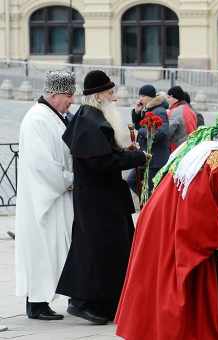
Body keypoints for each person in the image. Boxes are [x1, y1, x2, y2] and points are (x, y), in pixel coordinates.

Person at [115, 107, 218, 340]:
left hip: (162, 218)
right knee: (177, 284)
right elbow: (198, 205)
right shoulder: (216, 157)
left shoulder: (204, 146)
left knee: (157, 280)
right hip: (174, 223)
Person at [57, 70, 148, 325]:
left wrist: (126, 151)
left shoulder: (93, 117)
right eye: (110, 93)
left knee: (106, 249)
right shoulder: (90, 120)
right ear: (98, 96)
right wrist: (136, 157)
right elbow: (102, 162)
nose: (115, 97)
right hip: (98, 200)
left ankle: (105, 302)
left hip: (101, 197)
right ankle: (85, 302)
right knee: (99, 250)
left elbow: (104, 153)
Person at [14, 70, 76, 320]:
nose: (72, 100)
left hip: (55, 195)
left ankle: (46, 301)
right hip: (44, 198)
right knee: (41, 250)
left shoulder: (53, 116)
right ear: (53, 94)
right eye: (68, 95)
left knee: (52, 250)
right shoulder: (37, 119)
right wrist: (71, 179)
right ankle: (37, 304)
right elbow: (43, 165)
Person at [127, 85, 170, 195]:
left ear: (150, 97)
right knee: (132, 180)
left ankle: (148, 206)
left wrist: (141, 131)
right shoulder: (148, 109)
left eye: (143, 96)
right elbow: (139, 126)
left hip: (156, 159)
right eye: (140, 95)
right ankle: (145, 203)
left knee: (151, 190)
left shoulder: (159, 111)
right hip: (146, 157)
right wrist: (136, 113)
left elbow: (162, 134)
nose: (140, 98)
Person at [166, 85, 198, 151]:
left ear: (173, 97)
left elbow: (168, 132)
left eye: (168, 97)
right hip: (191, 145)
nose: (167, 100)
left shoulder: (176, 111)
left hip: (179, 148)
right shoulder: (190, 110)